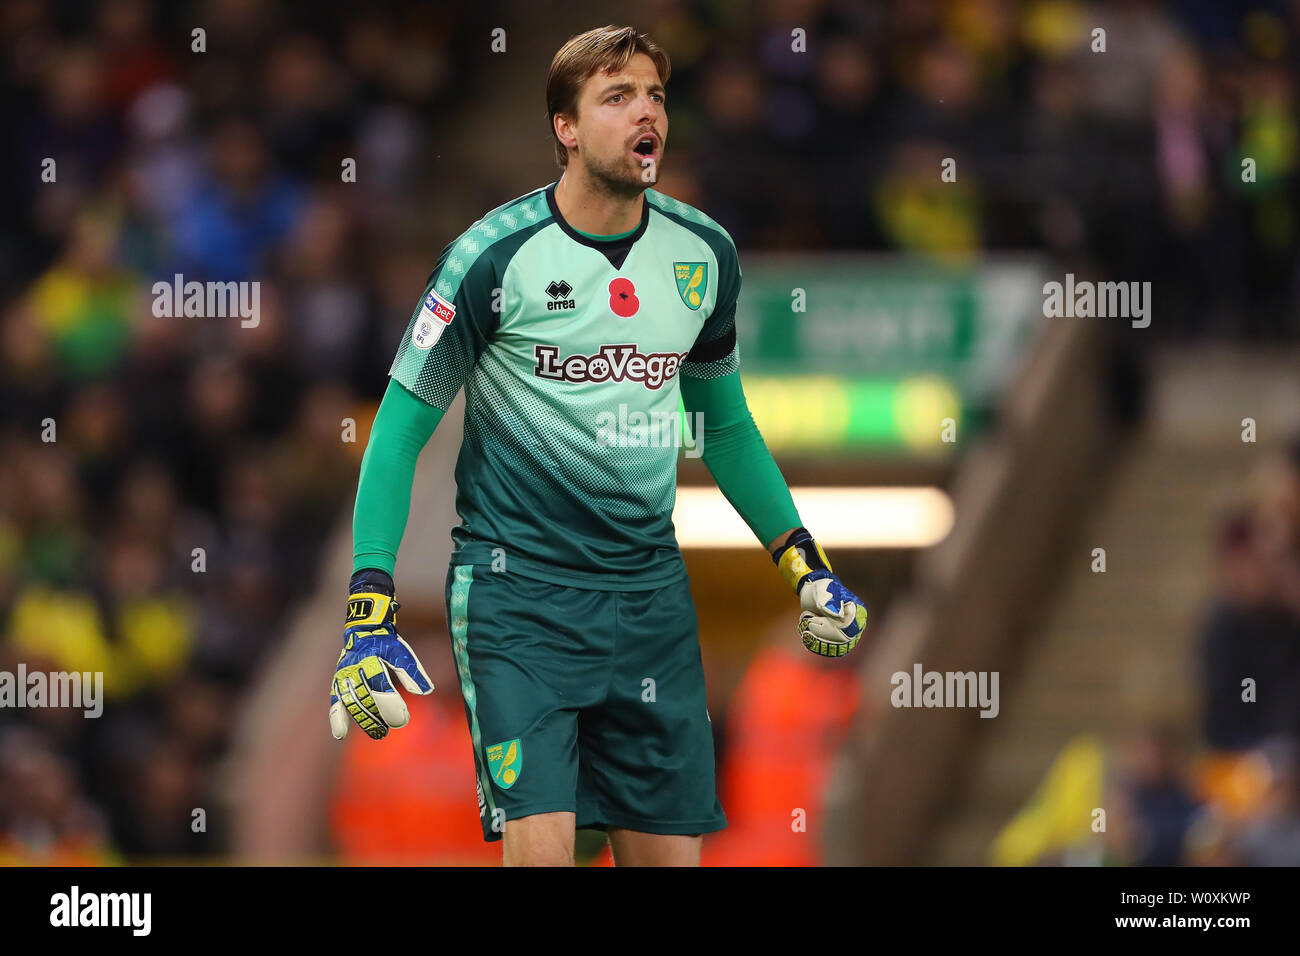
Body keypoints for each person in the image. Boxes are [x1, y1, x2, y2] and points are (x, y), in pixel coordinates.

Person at [326, 25, 868, 866]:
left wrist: (805, 561)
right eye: (616, 96)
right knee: (543, 851)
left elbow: (723, 428)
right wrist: (371, 600)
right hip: (519, 596)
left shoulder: (704, 255)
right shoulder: (488, 259)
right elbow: (399, 432)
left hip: (648, 598)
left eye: (654, 95)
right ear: (566, 129)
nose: (644, 112)